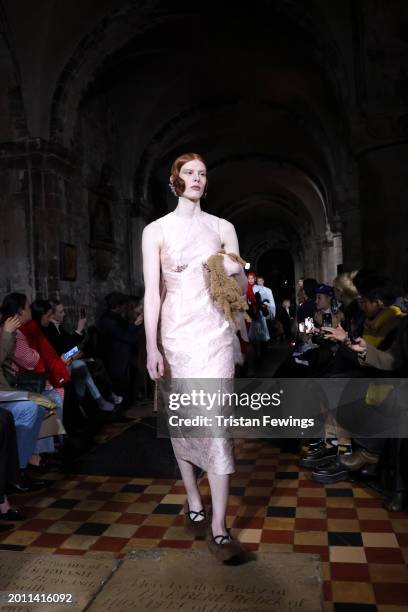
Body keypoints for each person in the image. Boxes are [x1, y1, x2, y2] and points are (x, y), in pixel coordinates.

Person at [142, 152, 248, 561]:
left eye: (202, 173)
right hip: (176, 336)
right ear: (175, 181)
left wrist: (231, 267)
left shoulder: (223, 227)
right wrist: (151, 345)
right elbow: (153, 292)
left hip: (215, 334)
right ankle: (193, 496)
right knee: (183, 420)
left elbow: (238, 289)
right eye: (189, 172)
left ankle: (220, 524)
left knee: (217, 424)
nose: (197, 178)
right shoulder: (156, 231)